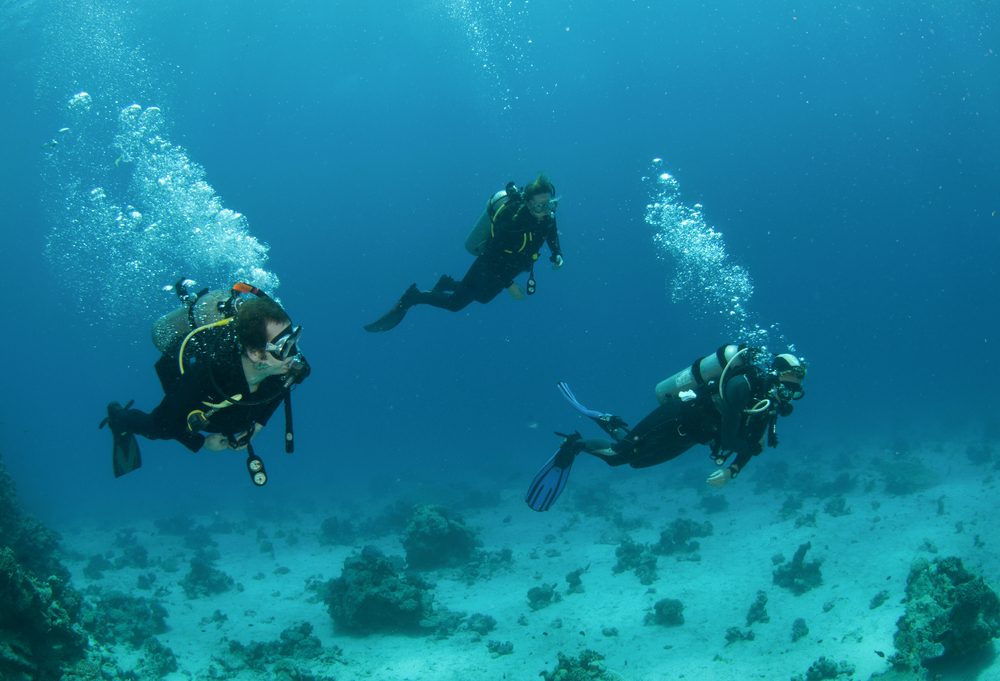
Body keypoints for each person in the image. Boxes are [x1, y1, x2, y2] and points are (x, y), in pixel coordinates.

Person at [525, 346, 807, 511]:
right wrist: (743, 453)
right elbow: (734, 440)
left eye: (796, 386)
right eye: (791, 383)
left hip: (691, 437)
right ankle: (575, 444)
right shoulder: (741, 386)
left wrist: (732, 471)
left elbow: (751, 444)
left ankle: (612, 423)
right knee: (618, 458)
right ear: (776, 375)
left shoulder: (765, 404)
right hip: (677, 417)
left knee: (636, 462)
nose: (793, 391)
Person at [100, 286, 310, 485]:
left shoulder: (282, 366)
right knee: (158, 429)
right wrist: (200, 442)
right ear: (255, 354)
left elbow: (289, 383)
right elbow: (164, 423)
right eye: (284, 347)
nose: (294, 356)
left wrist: (259, 425)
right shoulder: (206, 375)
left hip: (233, 408)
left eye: (294, 338)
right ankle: (117, 417)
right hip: (194, 394)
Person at [364, 174, 564, 332]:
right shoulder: (512, 224)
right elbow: (491, 255)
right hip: (489, 265)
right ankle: (413, 296)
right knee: (455, 304)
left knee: (483, 298)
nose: (545, 210)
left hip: (512, 268)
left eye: (549, 204)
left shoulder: (547, 216)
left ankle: (447, 283)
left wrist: (556, 253)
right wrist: (509, 284)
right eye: (539, 205)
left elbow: (551, 231)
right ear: (528, 203)